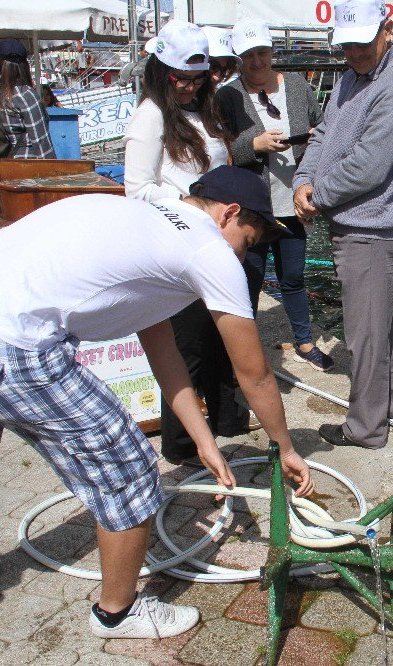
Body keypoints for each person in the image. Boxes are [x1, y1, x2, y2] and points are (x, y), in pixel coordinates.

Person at [0, 164, 313, 637]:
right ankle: (118, 614)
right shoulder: (209, 249)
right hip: (10, 342)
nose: (250, 251)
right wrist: (285, 448)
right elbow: (254, 373)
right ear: (229, 213)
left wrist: (203, 438)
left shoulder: (147, 216)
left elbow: (159, 343)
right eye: (253, 237)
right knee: (128, 470)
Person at [293, 0, 393, 449]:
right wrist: (304, 180)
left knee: (363, 337)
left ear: (387, 30)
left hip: (371, 229)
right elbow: (325, 135)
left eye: (362, 44)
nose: (353, 53)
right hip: (351, 221)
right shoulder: (350, 79)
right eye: (346, 45)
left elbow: (370, 165)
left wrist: (319, 196)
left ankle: (365, 428)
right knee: (379, 329)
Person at [124, 20, 256, 467]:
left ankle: (226, 420)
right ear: (161, 72)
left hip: (215, 240)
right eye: (182, 78)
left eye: (201, 77)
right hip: (178, 245)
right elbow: (137, 188)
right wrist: (191, 203)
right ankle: (182, 445)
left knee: (219, 337)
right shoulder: (152, 115)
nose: (190, 86)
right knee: (188, 348)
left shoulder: (205, 109)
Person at [218, 20, 334, 372]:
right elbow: (221, 150)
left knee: (293, 277)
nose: (257, 61)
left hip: (292, 201)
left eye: (263, 53)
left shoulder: (297, 85)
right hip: (253, 208)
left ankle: (304, 341)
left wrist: (315, 138)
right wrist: (253, 145)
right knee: (248, 279)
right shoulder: (228, 96)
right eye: (249, 55)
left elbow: (323, 127)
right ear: (239, 59)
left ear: (272, 52)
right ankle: (246, 351)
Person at [0, 39, 55, 158]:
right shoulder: (24, 94)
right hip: (23, 165)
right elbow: (41, 142)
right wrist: (53, 172)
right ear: (24, 65)